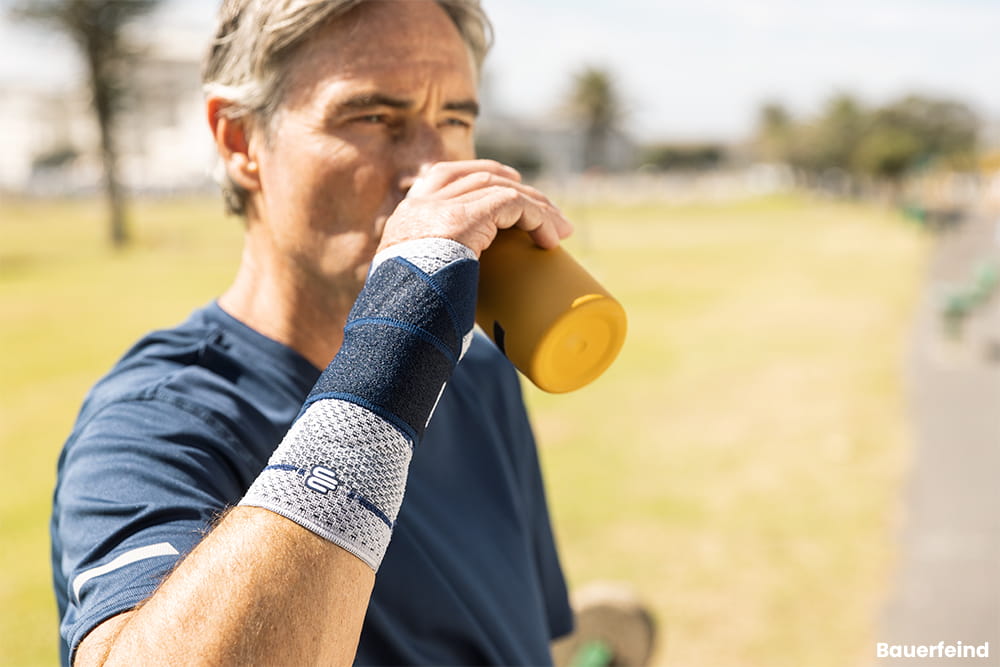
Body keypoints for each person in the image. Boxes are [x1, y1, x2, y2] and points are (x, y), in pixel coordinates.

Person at [50, 1, 576, 664]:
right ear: (239, 140)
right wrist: (396, 345)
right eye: (374, 116)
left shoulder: (475, 371)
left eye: (455, 118)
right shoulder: (154, 423)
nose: (430, 168)